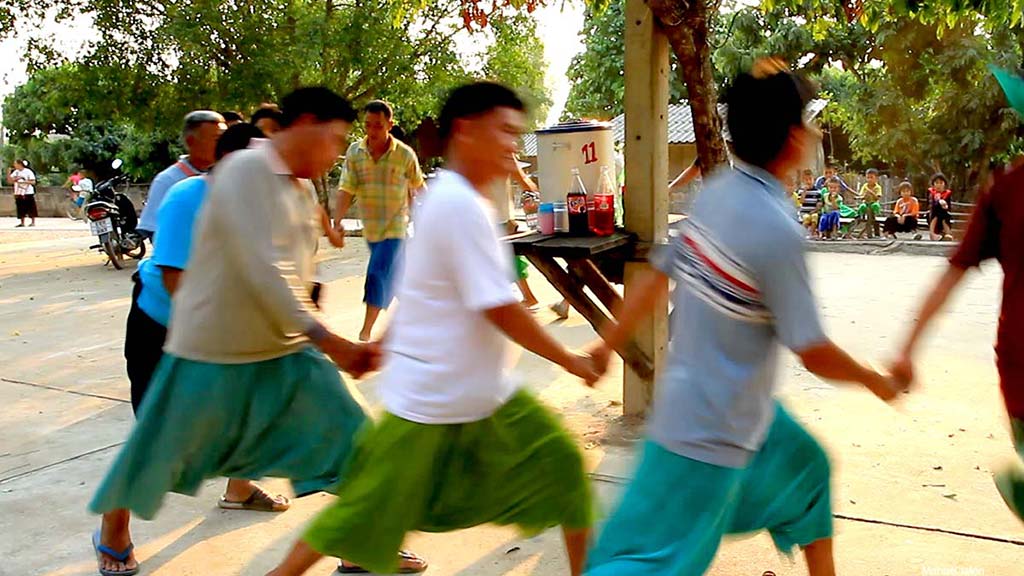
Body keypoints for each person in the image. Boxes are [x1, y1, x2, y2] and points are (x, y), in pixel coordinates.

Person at [583, 58, 905, 576]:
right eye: (808, 120)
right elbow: (813, 350)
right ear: (792, 138)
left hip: (722, 413)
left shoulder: (716, 196)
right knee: (643, 565)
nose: (814, 130)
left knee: (808, 472)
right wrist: (875, 380)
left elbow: (654, 282)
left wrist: (604, 345)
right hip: (708, 439)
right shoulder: (776, 229)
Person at [265, 81, 599, 576]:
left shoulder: (448, 197)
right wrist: (570, 359)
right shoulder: (457, 204)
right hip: (432, 404)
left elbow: (420, 292)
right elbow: (501, 308)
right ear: (464, 131)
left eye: (517, 133)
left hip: (480, 397)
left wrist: (383, 344)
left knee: (567, 475)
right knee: (358, 517)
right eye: (504, 130)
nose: (513, 144)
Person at [89, 88, 402, 576]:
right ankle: (113, 533)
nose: (337, 152)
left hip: (283, 348)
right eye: (335, 138)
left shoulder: (299, 190)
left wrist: (321, 332)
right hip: (209, 348)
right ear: (305, 123)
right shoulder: (236, 174)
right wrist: (332, 342)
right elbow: (258, 270)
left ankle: (360, 542)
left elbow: (297, 273)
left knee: (358, 446)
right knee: (159, 456)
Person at [893, 64, 1024, 526]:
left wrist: (907, 349)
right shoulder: (1005, 189)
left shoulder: (1006, 188)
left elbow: (952, 275)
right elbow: (953, 272)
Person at [334, 100, 426, 341]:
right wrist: (337, 221)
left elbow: (420, 187)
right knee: (398, 282)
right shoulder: (355, 153)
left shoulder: (404, 155)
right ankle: (429, 326)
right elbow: (346, 189)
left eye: (378, 126)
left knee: (377, 273)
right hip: (371, 230)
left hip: (396, 227)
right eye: (368, 125)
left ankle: (366, 332)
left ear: (389, 125)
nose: (372, 131)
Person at [135, 110, 226, 241]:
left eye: (224, 139)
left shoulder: (231, 174)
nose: (222, 145)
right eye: (216, 139)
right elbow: (157, 234)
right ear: (191, 141)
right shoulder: (168, 181)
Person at [491, 157, 542, 308]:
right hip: (501, 215)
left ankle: (527, 297)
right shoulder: (500, 151)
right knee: (509, 258)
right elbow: (525, 182)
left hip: (498, 216)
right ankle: (526, 297)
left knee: (509, 259)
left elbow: (524, 182)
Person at [853, 167, 883, 238]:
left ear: (876, 178)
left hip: (873, 202)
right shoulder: (865, 186)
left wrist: (872, 193)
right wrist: (862, 196)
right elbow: (861, 195)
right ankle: (860, 215)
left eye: (871, 177)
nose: (869, 179)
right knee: (862, 206)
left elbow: (878, 197)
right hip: (866, 203)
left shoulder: (877, 187)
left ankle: (877, 214)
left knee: (875, 206)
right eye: (868, 177)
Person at [7, 159, 37, 227]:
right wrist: (8, 173)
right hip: (18, 192)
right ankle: (22, 222)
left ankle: (32, 222)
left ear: (19, 164)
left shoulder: (28, 171)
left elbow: (33, 182)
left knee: (30, 207)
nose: (14, 165)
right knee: (20, 207)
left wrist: (24, 182)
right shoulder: (16, 172)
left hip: (28, 192)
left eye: (15, 163)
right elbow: (10, 181)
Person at [928, 173, 954, 241]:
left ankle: (947, 233)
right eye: (936, 183)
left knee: (943, 212)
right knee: (937, 209)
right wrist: (939, 202)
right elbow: (931, 205)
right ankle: (932, 234)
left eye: (941, 183)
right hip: (933, 215)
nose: (939, 185)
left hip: (944, 216)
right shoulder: (931, 193)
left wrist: (944, 204)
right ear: (933, 184)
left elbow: (948, 207)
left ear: (944, 184)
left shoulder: (947, 194)